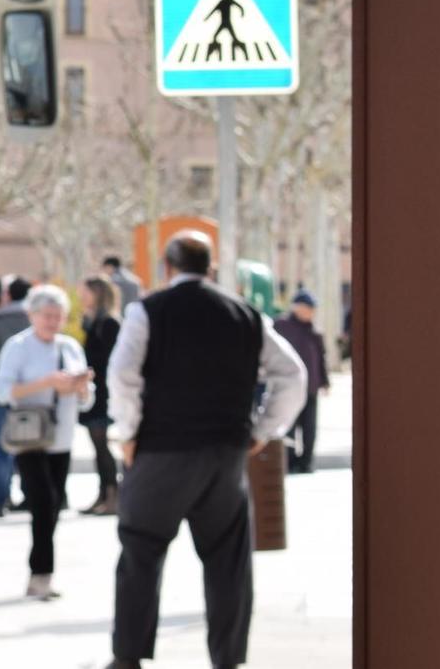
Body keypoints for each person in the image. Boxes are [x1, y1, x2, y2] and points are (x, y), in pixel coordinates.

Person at [104, 231, 306, 669]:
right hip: (225, 453)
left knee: (141, 550)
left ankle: (128, 658)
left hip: (160, 450)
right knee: (227, 561)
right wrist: (263, 431)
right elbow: (293, 375)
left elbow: (122, 375)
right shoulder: (246, 314)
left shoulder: (147, 312)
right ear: (211, 268)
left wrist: (128, 433)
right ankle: (228, 660)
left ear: (166, 267)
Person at [0, 284, 95, 600]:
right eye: (47, 315)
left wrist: (78, 387)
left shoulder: (70, 348)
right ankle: (41, 574)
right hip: (30, 437)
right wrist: (46, 382)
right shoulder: (18, 346)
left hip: (61, 437)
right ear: (33, 315)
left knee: (52, 507)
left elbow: (87, 401)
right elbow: (2, 391)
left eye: (58, 316)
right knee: (43, 501)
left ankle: (41, 571)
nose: (52, 322)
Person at [0, 275, 33, 517]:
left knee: (3, 449)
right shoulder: (35, 319)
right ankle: (30, 494)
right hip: (34, 396)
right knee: (31, 445)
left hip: (2, 394)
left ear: (8, 295)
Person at [273, 289, 331, 473]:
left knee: (309, 428)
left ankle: (305, 463)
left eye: (312, 309)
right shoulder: (281, 326)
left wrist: (325, 381)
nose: (311, 312)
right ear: (297, 308)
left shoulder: (314, 331)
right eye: (308, 308)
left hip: (311, 387)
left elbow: (321, 358)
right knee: (288, 426)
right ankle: (289, 462)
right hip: (288, 387)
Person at [80, 276, 123, 513]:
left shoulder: (108, 323)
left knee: (101, 445)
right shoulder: (93, 321)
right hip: (94, 393)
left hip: (104, 394)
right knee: (97, 446)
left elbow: (110, 360)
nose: (82, 297)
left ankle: (111, 495)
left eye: (86, 292)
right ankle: (103, 494)